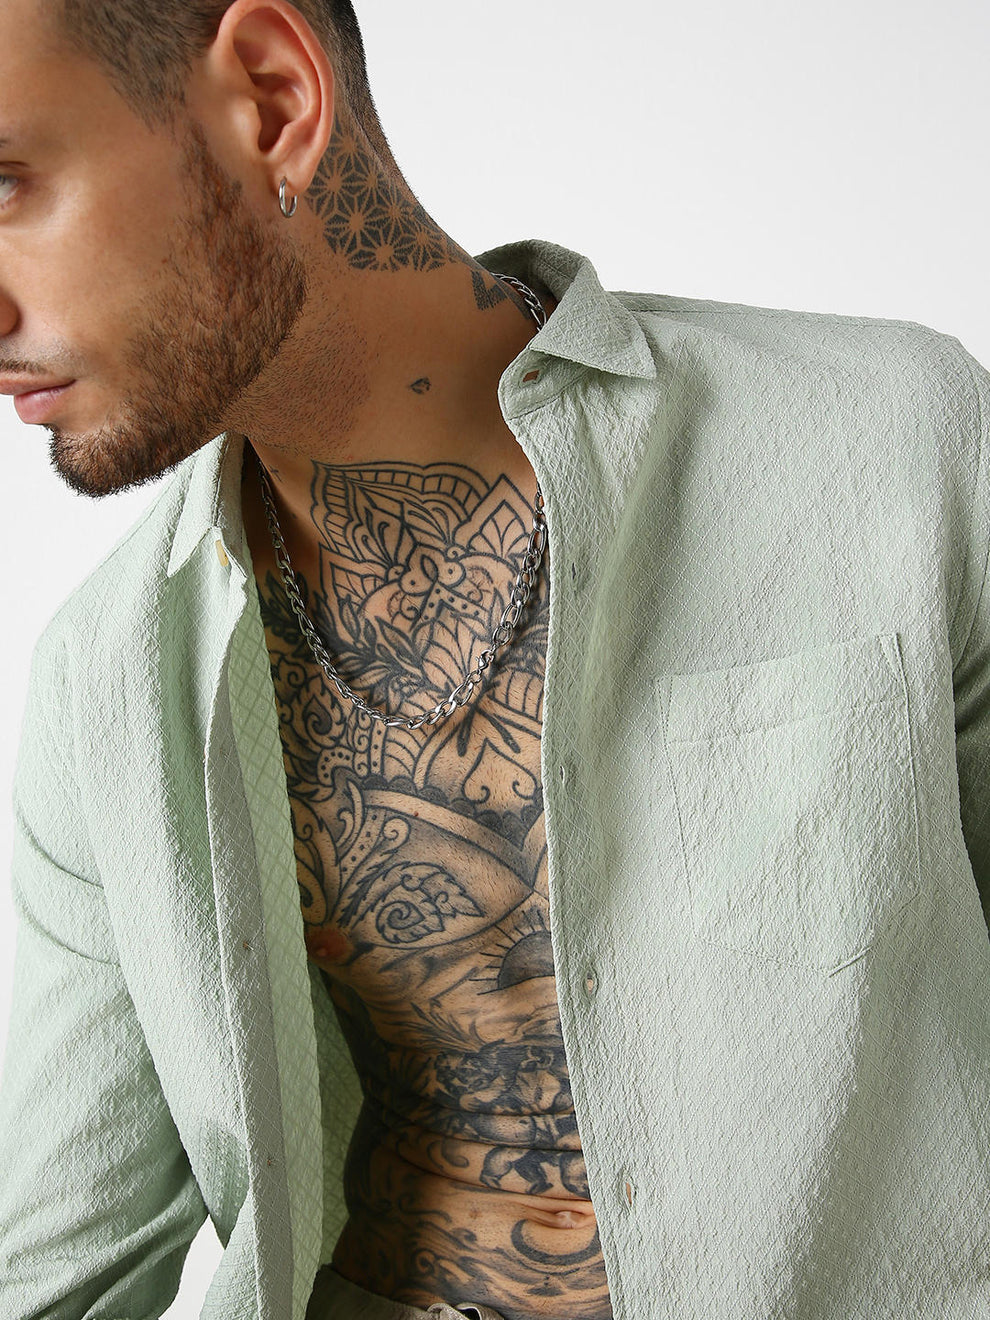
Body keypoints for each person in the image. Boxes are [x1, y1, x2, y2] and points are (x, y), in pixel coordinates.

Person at [1, 0, 988, 1317]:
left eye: (6, 185)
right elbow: (51, 1266)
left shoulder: (891, 446)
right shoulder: (104, 688)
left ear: (272, 99)